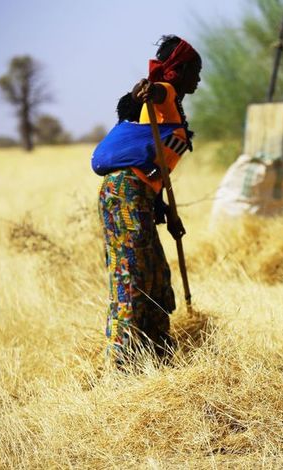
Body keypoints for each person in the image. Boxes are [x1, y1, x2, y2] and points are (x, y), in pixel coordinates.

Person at [98, 35, 202, 368]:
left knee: (155, 273)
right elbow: (156, 90)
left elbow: (155, 169)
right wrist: (145, 89)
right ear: (180, 71)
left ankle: (158, 353)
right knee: (132, 275)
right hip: (126, 193)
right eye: (195, 72)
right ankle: (123, 363)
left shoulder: (172, 111)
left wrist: (168, 212)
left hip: (138, 194)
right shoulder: (165, 94)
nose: (198, 80)